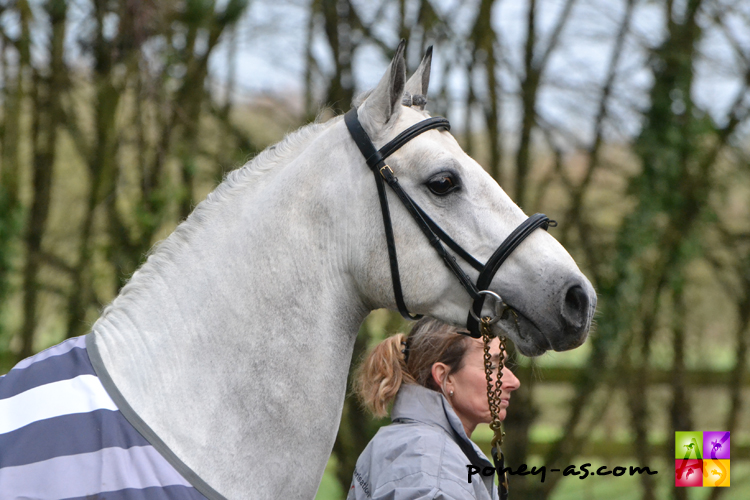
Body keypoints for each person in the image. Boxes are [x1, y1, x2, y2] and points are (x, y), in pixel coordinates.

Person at [347, 317, 521, 500]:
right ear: (444, 377)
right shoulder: (430, 462)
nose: (513, 382)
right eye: (492, 366)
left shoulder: (412, 446)